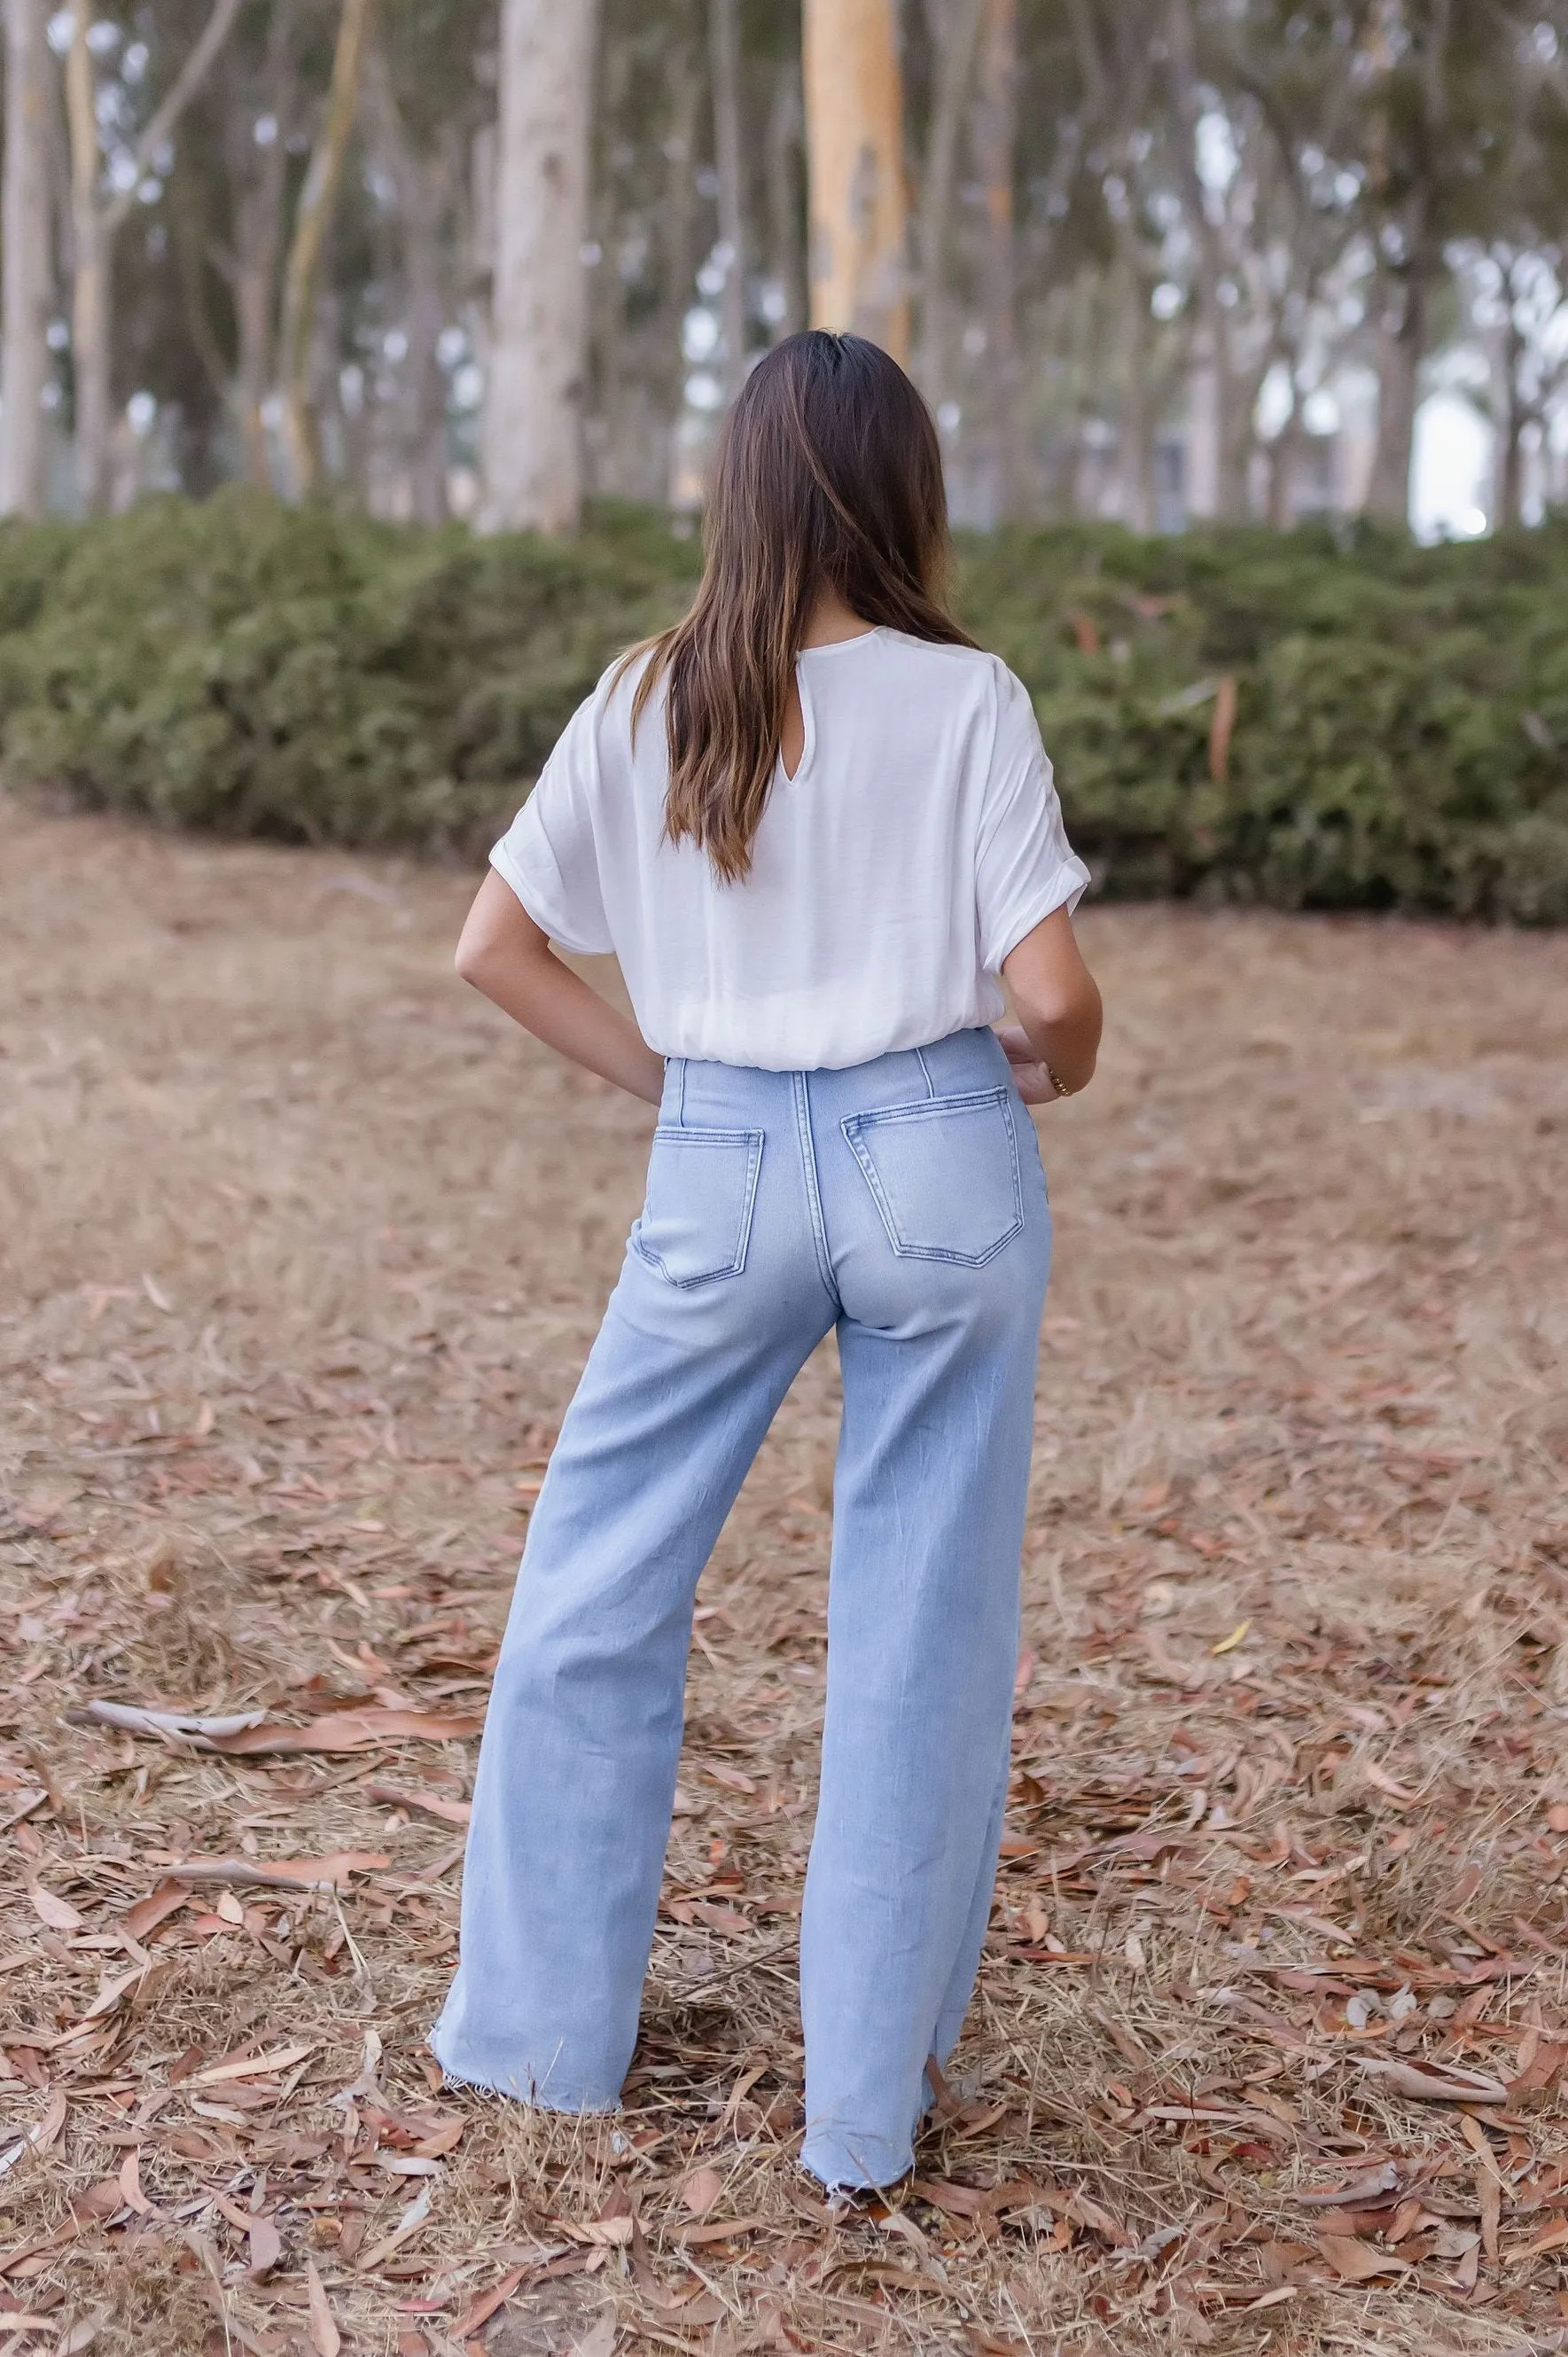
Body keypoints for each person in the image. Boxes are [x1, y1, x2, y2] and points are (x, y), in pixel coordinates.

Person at [431, 330, 1102, 2194]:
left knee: (593, 1581)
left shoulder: (650, 696)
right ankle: (859, 2122)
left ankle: (542, 2043)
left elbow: (493, 945)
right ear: (899, 493)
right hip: (937, 1157)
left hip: (718, 1162)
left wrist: (690, 1083)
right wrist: (1059, 1056)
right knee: (917, 1631)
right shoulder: (964, 701)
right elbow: (1043, 991)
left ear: (734, 487)